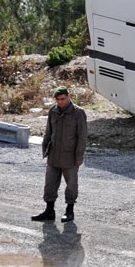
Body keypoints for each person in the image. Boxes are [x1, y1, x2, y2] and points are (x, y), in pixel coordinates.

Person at [32, 86, 88, 223]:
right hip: (54, 155)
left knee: (71, 185)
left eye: (62, 99)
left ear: (68, 97)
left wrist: (79, 156)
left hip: (70, 157)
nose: (60, 102)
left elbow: (82, 137)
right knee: (50, 185)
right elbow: (48, 131)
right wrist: (44, 148)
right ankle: (49, 211)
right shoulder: (53, 110)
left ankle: (69, 211)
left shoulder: (78, 113)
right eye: (57, 99)